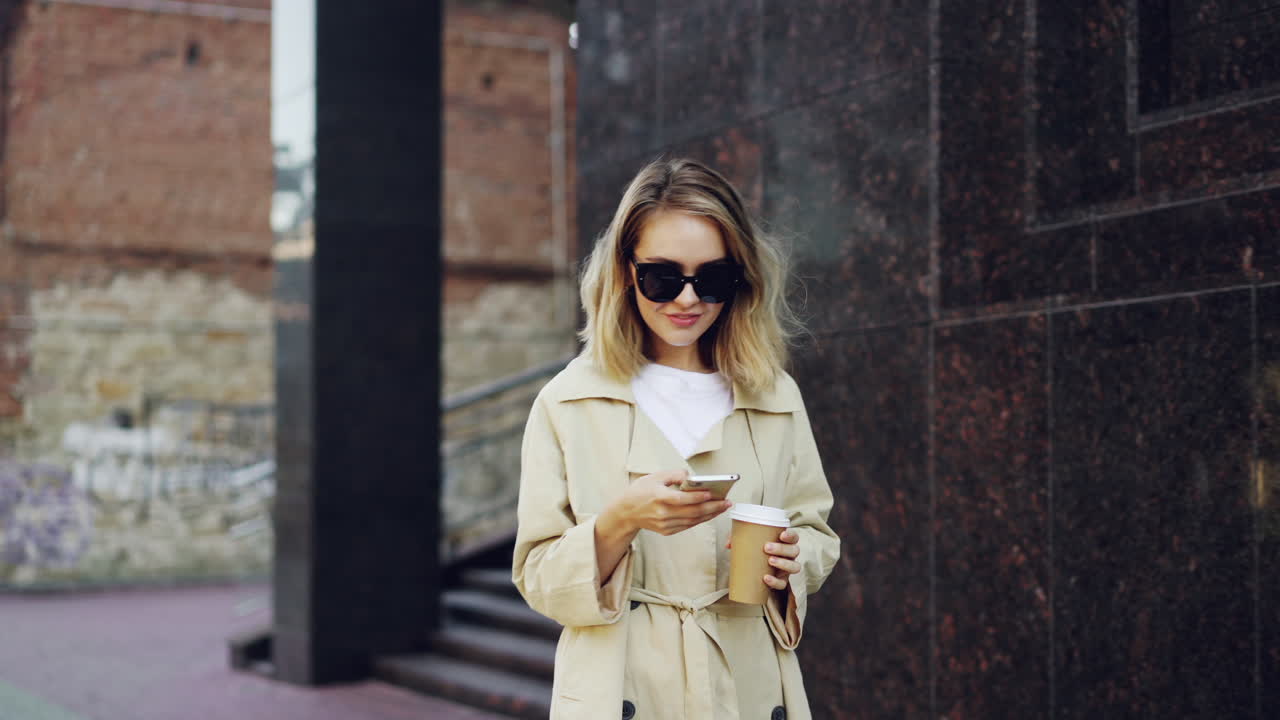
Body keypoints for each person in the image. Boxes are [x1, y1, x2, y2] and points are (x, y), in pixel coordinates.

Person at [513, 157, 840, 720]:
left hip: (746, 685)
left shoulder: (774, 396)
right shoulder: (568, 401)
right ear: (624, 272)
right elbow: (537, 573)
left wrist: (792, 560)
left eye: (712, 279)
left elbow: (814, 531)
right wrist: (621, 521)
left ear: (741, 280)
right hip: (621, 686)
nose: (687, 300)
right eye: (662, 278)